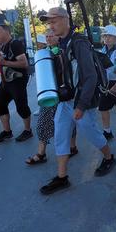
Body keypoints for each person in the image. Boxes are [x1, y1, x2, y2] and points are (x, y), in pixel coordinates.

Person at [38, 7, 116, 195]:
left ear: (66, 20)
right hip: (65, 101)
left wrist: (81, 106)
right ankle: (62, 176)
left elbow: (90, 77)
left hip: (80, 101)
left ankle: (109, 157)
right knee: (60, 134)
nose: (51, 25)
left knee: (90, 131)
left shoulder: (78, 43)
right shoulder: (62, 43)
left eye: (54, 21)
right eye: (49, 22)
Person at [25, 31, 78, 165]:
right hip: (49, 94)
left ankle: (72, 147)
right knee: (43, 122)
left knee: (69, 123)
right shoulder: (44, 52)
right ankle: (41, 153)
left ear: (58, 37)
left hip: (63, 92)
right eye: (46, 36)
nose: (48, 38)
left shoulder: (63, 51)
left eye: (51, 35)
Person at [0, 24, 33, 143]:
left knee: (21, 106)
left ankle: (28, 130)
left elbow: (24, 64)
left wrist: (4, 62)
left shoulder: (15, 44)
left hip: (17, 81)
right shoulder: (3, 46)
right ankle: (7, 132)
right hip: (6, 81)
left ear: (6, 32)